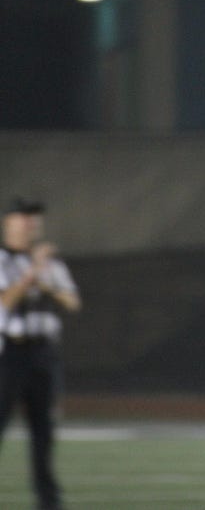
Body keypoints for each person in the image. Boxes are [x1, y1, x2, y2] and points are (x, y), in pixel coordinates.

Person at [0, 197, 81, 510]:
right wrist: (33, 271)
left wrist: (46, 281)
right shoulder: (3, 261)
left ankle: (48, 501)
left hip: (44, 354)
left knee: (44, 431)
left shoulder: (53, 265)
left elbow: (72, 303)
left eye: (33, 217)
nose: (30, 223)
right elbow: (6, 301)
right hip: (10, 353)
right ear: (8, 222)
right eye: (23, 216)